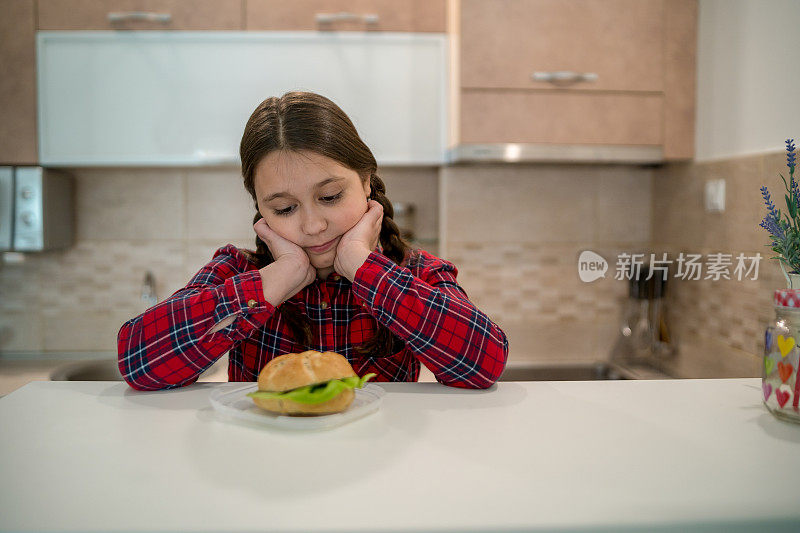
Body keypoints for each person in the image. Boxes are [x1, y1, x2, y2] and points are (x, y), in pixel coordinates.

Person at [117, 92, 508, 391]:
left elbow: (485, 363)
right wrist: (278, 278)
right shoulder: (236, 271)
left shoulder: (417, 273)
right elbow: (137, 361)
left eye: (330, 197)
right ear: (261, 212)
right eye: (285, 208)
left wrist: (363, 267)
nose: (313, 225)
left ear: (366, 182)